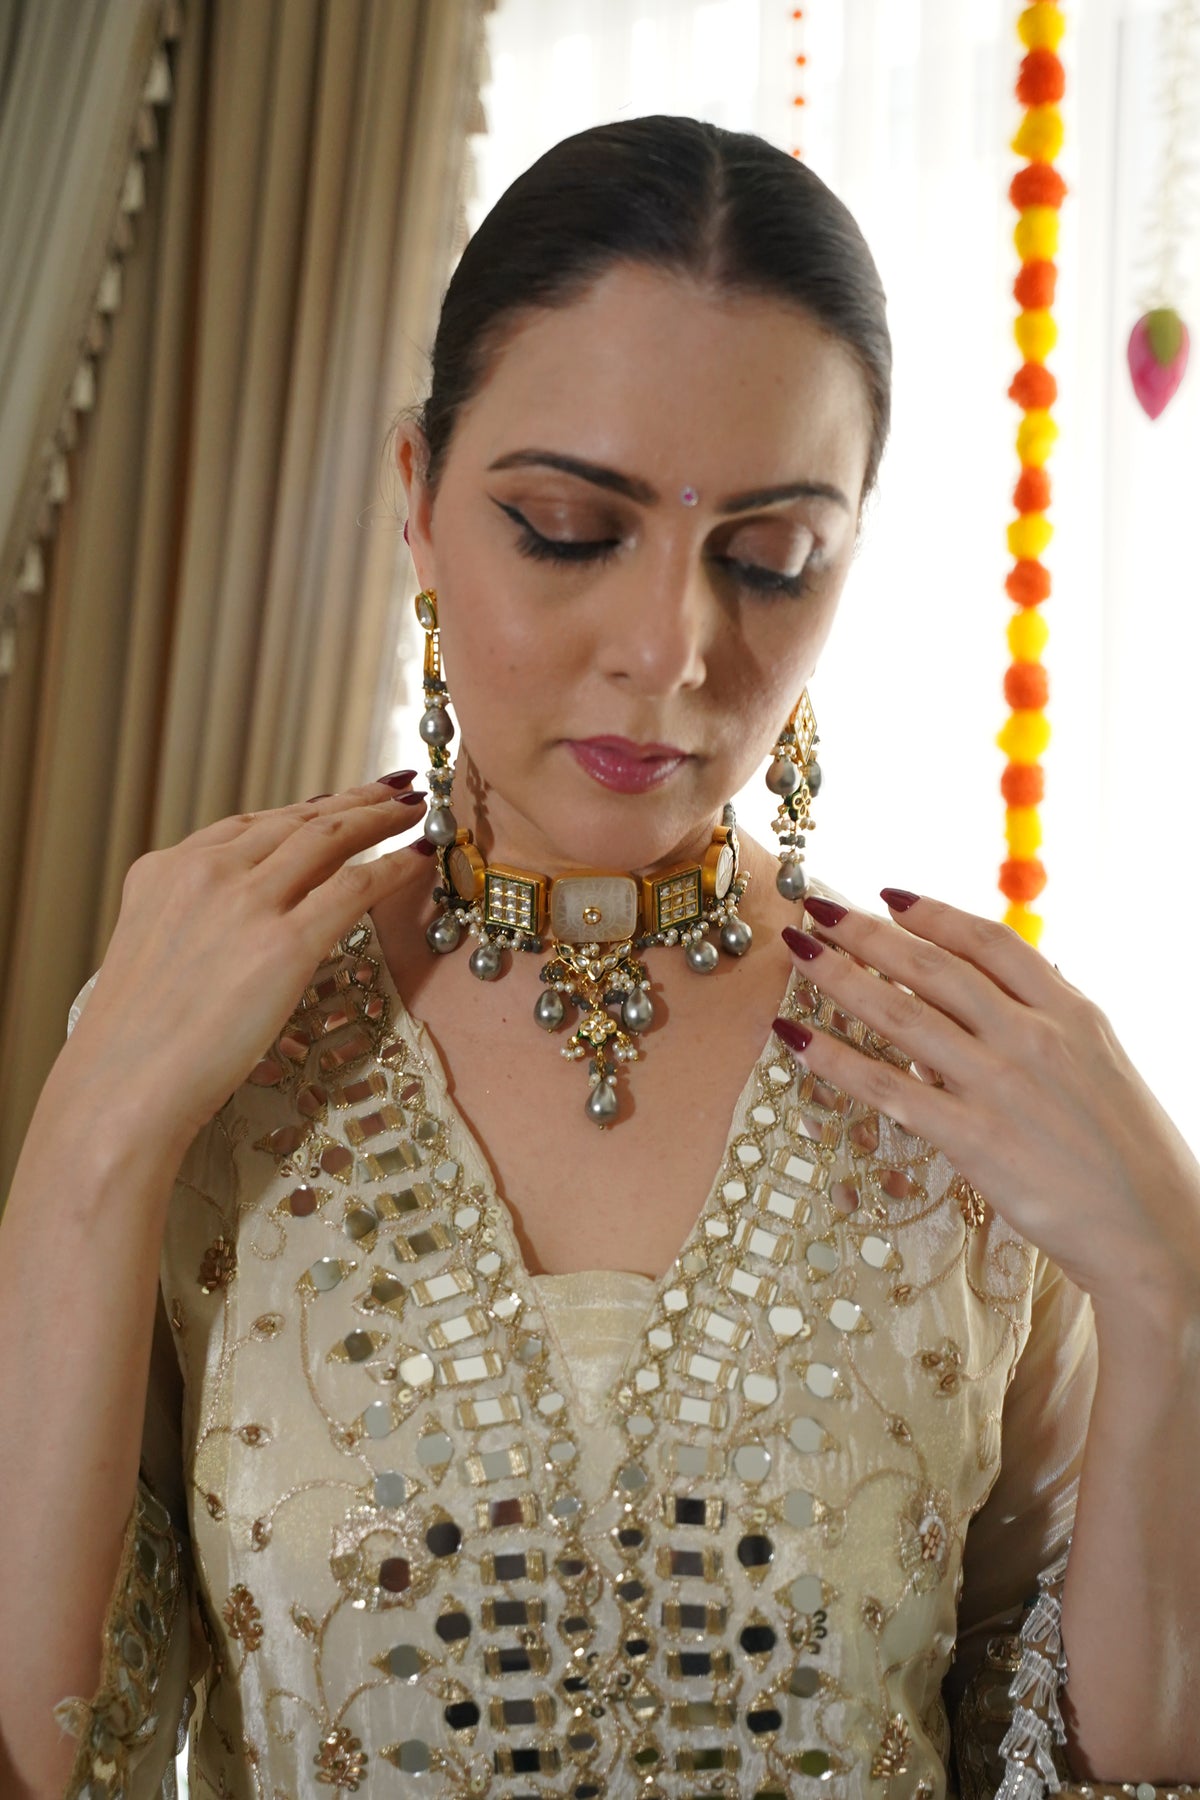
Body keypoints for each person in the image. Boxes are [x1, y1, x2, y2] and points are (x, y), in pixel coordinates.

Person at [1, 113, 1197, 1800]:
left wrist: (1173, 1293)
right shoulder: (210, 1041)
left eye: (770, 561)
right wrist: (80, 1165)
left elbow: (1092, 1766)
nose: (669, 650)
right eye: (569, 528)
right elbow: (49, 1753)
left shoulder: (961, 1084)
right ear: (419, 501)